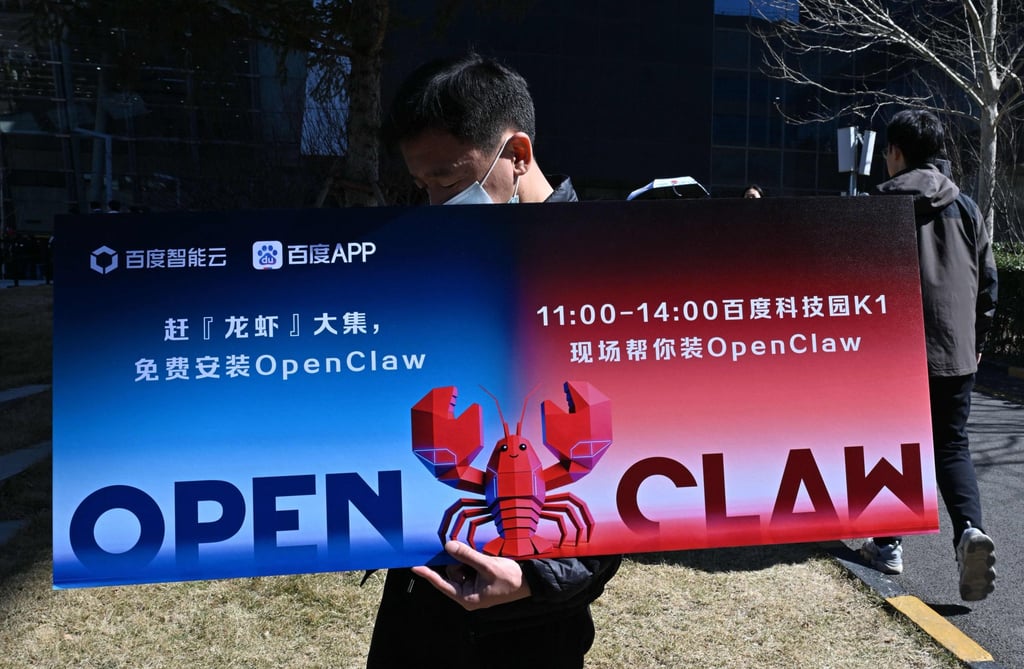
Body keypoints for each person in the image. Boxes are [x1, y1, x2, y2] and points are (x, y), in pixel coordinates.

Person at [366, 52, 621, 669]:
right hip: (416, 615)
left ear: (517, 155)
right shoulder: (440, 257)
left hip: (528, 634)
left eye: (448, 184)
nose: (434, 206)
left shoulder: (609, 275)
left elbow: (633, 468)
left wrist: (540, 579)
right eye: (421, 187)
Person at [861, 109, 998, 602]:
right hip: (955, 354)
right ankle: (969, 532)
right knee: (951, 446)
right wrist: (975, 343)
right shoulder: (966, 207)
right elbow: (988, 288)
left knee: (887, 446)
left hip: (890, 355)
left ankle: (888, 544)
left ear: (896, 152)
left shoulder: (876, 205)